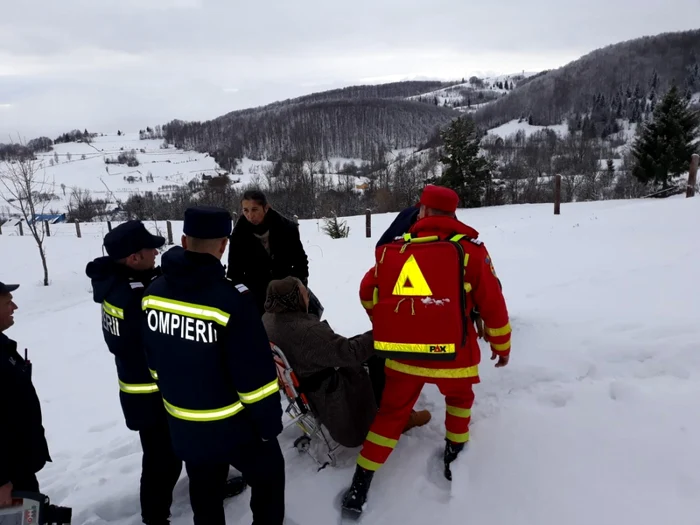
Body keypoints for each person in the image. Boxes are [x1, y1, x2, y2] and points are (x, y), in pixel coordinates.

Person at [341, 185, 512, 516]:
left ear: (422, 213)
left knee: (390, 415)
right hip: (454, 357)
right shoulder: (471, 252)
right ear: (453, 215)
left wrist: (386, 320)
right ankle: (453, 453)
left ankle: (360, 484)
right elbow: (494, 306)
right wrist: (501, 345)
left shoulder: (394, 251)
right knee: (460, 401)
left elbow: (366, 291)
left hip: (403, 356)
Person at [85, 221, 246, 525]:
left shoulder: (116, 284)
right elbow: (159, 345)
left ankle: (192, 494)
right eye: (150, 249)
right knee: (164, 460)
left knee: (169, 454)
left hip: (140, 390)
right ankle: (155, 517)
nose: (156, 252)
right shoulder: (133, 296)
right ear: (134, 258)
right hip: (153, 394)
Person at [142, 205, 285, 525]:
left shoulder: (153, 293)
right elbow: (255, 377)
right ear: (224, 245)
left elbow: (152, 360)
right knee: (270, 476)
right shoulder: (233, 299)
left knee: (204, 490)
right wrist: (268, 425)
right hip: (233, 426)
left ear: (182, 239)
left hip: (182, 422)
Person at [261, 277, 431, 448]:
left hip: (306, 379)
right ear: (295, 299)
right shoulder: (307, 332)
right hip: (331, 392)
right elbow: (351, 353)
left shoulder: (268, 320)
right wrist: (382, 331)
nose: (308, 298)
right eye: (304, 295)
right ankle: (397, 419)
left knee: (365, 347)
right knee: (379, 356)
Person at [0, 281, 51, 506]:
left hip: (18, 466)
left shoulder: (3, 348)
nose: (15, 307)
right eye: (8, 302)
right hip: (8, 477)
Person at [226, 190, 313, 316]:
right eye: (246, 210)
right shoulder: (238, 236)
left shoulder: (287, 229)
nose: (250, 215)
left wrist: (297, 290)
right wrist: (246, 299)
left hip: (287, 297)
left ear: (266, 208)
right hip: (256, 299)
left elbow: (301, 263)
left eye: (254, 209)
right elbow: (234, 274)